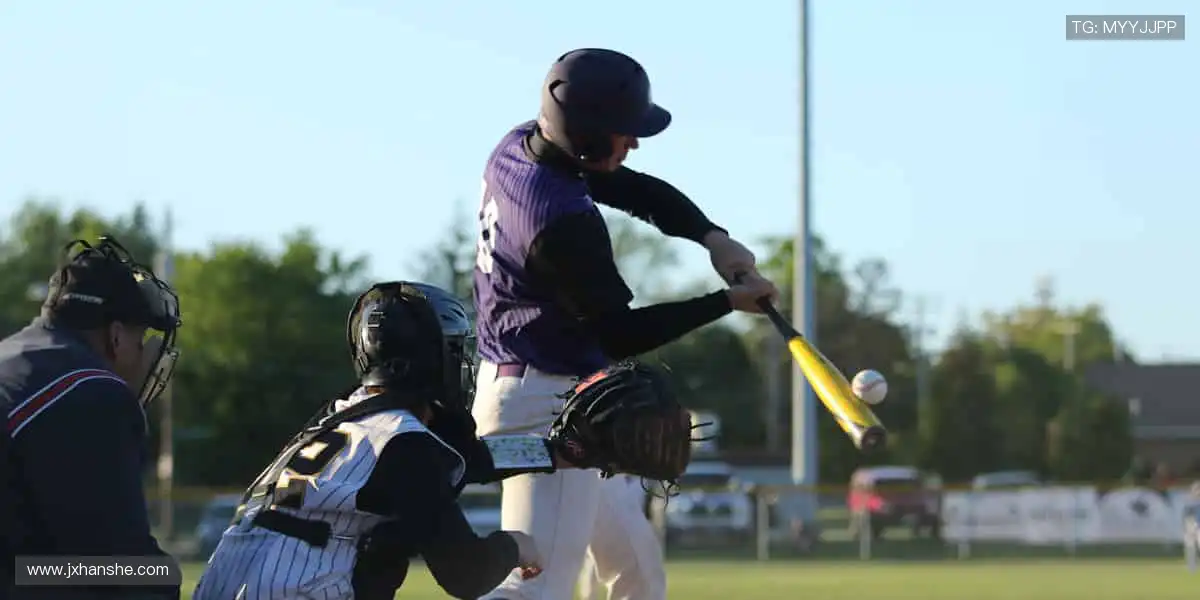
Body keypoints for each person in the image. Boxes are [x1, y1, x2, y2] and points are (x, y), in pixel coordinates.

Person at [471, 47, 778, 600]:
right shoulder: (557, 221)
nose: (633, 141)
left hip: (554, 390)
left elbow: (634, 189)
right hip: (541, 406)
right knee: (536, 588)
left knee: (636, 566)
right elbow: (619, 334)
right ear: (586, 136)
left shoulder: (523, 145)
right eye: (623, 131)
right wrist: (726, 303)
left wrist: (712, 237)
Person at [196, 281, 669, 600]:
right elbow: (466, 574)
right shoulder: (404, 443)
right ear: (430, 360)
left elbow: (468, 461)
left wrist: (559, 454)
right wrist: (516, 545)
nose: (462, 365)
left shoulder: (337, 423)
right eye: (455, 351)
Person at [1, 236, 183, 599]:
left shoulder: (11, 356)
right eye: (139, 340)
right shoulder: (91, 388)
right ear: (116, 337)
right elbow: (121, 566)